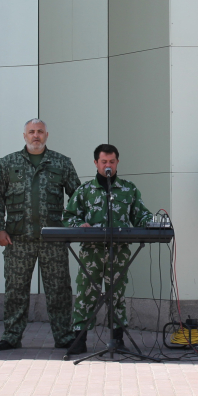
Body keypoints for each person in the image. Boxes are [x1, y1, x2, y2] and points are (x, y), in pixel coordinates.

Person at [0, 119, 80, 350]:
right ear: (24, 135)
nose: (36, 136)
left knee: (59, 290)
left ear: (47, 135)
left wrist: (71, 225)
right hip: (18, 239)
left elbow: (78, 197)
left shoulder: (61, 162)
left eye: (40, 132)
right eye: (31, 132)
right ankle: (11, 336)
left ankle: (64, 336)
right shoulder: (8, 163)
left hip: (53, 239)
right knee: (15, 291)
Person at [62, 144, 154, 355]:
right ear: (96, 163)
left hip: (118, 252)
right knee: (86, 294)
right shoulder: (85, 190)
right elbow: (68, 216)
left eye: (112, 162)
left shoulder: (128, 189)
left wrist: (154, 221)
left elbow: (141, 215)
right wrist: (79, 225)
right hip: (91, 252)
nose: (108, 166)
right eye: (104, 162)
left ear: (117, 163)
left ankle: (118, 339)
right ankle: (79, 339)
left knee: (117, 295)